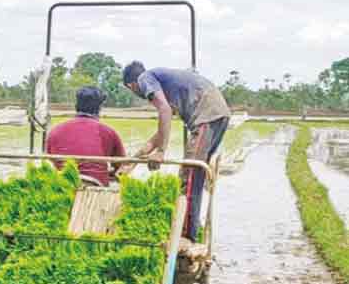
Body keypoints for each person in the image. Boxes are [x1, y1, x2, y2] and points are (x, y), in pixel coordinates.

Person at [122, 61, 230, 240]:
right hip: (215, 113)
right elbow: (161, 132)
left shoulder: (144, 79)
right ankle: (192, 230)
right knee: (194, 177)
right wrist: (134, 160)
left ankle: (186, 237)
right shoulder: (165, 85)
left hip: (206, 114)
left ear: (131, 86)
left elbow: (163, 110)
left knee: (189, 178)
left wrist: (161, 152)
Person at [46, 86, 126, 186]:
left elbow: (52, 159)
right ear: (99, 108)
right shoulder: (108, 132)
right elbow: (121, 166)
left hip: (64, 186)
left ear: (76, 105)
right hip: (96, 187)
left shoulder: (55, 131)